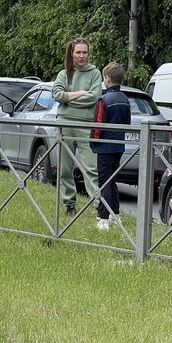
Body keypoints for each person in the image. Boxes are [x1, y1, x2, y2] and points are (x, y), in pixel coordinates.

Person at [51, 37, 102, 216]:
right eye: (78, 52)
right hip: (64, 124)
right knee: (64, 167)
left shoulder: (95, 73)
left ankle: (99, 207)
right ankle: (69, 205)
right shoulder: (63, 74)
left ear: (89, 54)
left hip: (86, 125)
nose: (81, 56)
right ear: (72, 54)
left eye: (84, 52)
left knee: (91, 167)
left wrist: (69, 99)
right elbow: (56, 94)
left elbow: (94, 97)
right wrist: (80, 93)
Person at [91, 62, 131, 230]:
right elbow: (127, 123)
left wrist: (93, 141)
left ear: (106, 78)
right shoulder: (125, 99)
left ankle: (103, 218)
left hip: (105, 146)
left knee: (104, 182)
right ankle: (116, 215)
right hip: (119, 145)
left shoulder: (104, 99)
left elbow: (98, 124)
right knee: (112, 180)